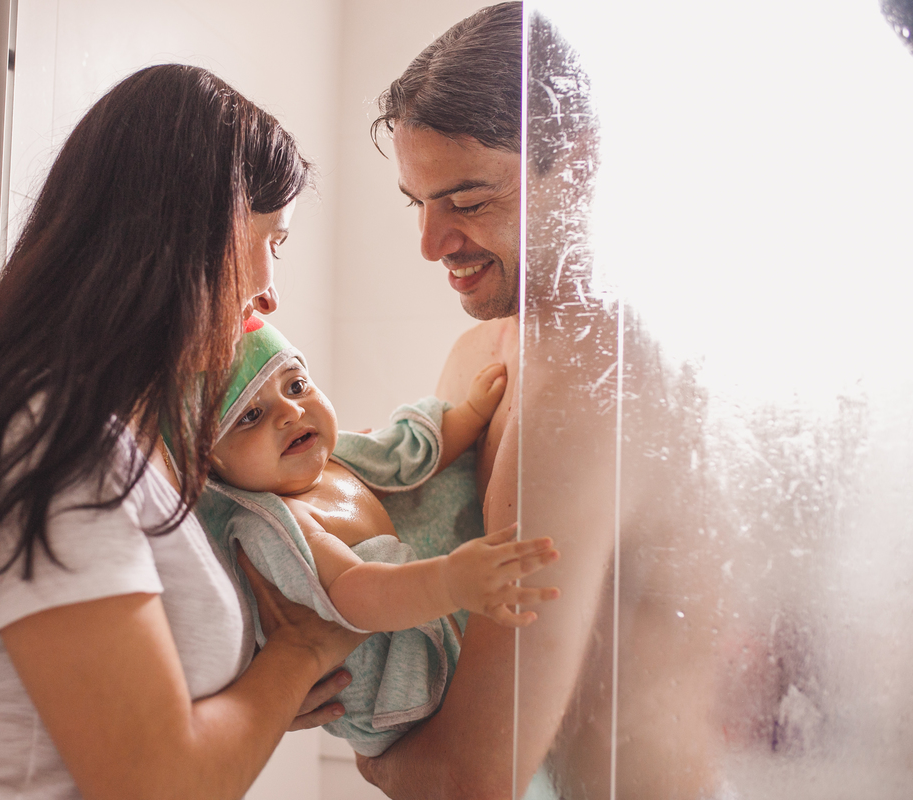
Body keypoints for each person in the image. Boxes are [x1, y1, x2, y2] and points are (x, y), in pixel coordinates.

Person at [0, 63, 368, 800]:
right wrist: (300, 654)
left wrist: (251, 705)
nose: (268, 288)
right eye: (267, 241)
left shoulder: (117, 442)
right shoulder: (49, 440)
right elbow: (156, 784)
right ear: (185, 232)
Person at [359, 4, 726, 799]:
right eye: (415, 201)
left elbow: (473, 775)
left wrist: (340, 721)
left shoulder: (593, 382)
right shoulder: (486, 352)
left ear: (582, 164)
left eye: (469, 200)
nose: (430, 243)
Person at [200, 316, 560, 755]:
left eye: (295, 386)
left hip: (414, 613)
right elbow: (352, 592)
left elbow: (401, 455)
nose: (291, 412)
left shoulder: (331, 458)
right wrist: (450, 582)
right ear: (212, 464)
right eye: (251, 415)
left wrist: (471, 414)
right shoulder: (271, 526)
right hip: (393, 690)